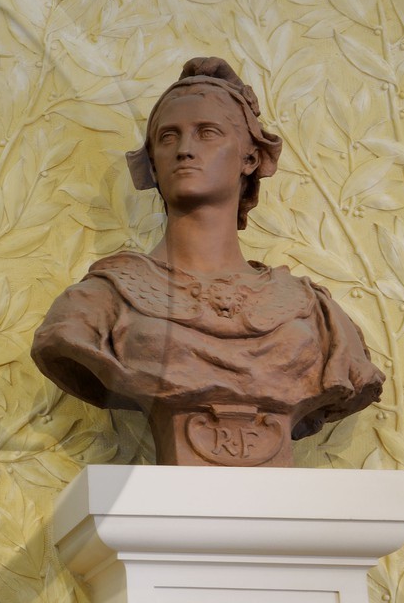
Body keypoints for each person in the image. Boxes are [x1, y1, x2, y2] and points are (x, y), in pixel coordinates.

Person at [31, 57, 384, 466]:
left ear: (250, 159)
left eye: (207, 133)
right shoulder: (97, 303)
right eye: (168, 137)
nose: (184, 150)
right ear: (152, 165)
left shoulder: (314, 312)